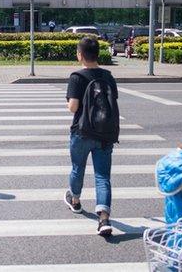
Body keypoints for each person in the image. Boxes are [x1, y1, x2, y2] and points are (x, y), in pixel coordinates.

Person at [64, 36, 120, 237]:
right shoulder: (108, 76)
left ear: (80, 55)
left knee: (78, 168)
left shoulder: (77, 77)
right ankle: (104, 218)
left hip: (82, 132)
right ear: (98, 54)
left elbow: (73, 107)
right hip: (105, 133)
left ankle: (75, 201)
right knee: (102, 176)